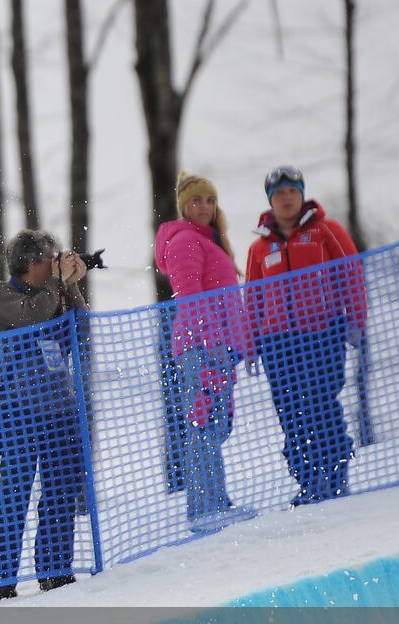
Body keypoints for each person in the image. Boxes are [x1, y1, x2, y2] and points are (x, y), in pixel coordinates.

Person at [245, 165, 367, 505]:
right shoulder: (259, 248)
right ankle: (308, 480)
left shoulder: (326, 231)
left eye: (291, 191)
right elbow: (252, 297)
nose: (286, 198)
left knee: (321, 404)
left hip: (321, 334)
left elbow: (351, 273)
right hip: (277, 344)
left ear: (302, 195)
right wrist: (251, 343)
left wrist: (356, 319)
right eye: (279, 193)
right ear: (270, 201)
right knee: (290, 413)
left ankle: (334, 474)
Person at [0, 230, 89, 601]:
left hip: (60, 411)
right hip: (19, 415)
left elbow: (82, 326)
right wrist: (57, 283)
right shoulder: (1, 295)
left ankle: (55, 571)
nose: (53, 264)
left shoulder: (51, 293)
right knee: (14, 496)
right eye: (49, 259)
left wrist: (70, 287)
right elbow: (35, 317)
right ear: (30, 262)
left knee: (60, 493)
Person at [154, 172, 256, 532]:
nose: (204, 207)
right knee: (203, 424)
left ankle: (216, 501)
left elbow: (227, 300)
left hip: (218, 348)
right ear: (184, 206)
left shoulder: (210, 241)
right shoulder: (184, 241)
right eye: (196, 201)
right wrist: (212, 344)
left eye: (209, 200)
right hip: (202, 348)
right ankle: (205, 508)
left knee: (214, 425)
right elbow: (191, 297)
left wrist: (241, 345)